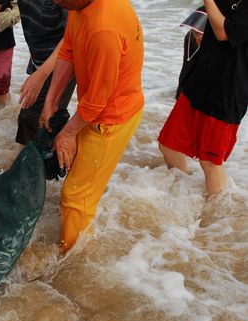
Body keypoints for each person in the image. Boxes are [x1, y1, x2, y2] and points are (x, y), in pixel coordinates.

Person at [38, 0, 145, 252]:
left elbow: (97, 101)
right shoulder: (79, 7)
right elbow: (68, 49)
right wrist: (51, 98)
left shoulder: (103, 28)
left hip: (112, 117)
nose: (55, 3)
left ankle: (71, 263)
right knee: (78, 180)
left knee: (75, 196)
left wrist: (68, 133)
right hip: (97, 107)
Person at [0, 0, 76, 144]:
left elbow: (71, 35)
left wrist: (41, 75)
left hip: (65, 61)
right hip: (39, 58)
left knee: (41, 122)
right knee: (30, 122)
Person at [158, 0, 248, 197]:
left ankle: (212, 222)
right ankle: (182, 194)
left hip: (226, 94)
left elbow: (223, 33)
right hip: (199, 82)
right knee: (168, 145)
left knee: (210, 162)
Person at [176, 6, 207, 99]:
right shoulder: (190, 37)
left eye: (200, 32)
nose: (197, 36)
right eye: (195, 31)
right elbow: (186, 73)